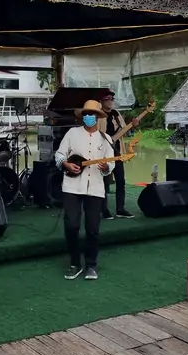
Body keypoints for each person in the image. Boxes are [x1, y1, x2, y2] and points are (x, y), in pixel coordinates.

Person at [55, 100, 115, 280]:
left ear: (97, 117)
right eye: (86, 114)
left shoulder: (106, 139)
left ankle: (91, 265)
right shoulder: (72, 133)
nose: (89, 117)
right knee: (71, 225)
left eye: (92, 114)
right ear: (83, 116)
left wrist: (106, 168)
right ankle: (75, 263)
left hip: (95, 187)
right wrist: (66, 164)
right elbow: (59, 154)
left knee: (93, 228)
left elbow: (110, 163)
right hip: (72, 186)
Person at [97, 91, 138, 219]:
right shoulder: (98, 115)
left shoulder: (116, 114)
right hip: (103, 154)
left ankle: (120, 209)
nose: (110, 101)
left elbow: (124, 131)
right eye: (107, 98)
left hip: (117, 153)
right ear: (101, 101)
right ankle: (104, 210)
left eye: (111, 98)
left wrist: (133, 126)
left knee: (121, 181)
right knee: (103, 183)